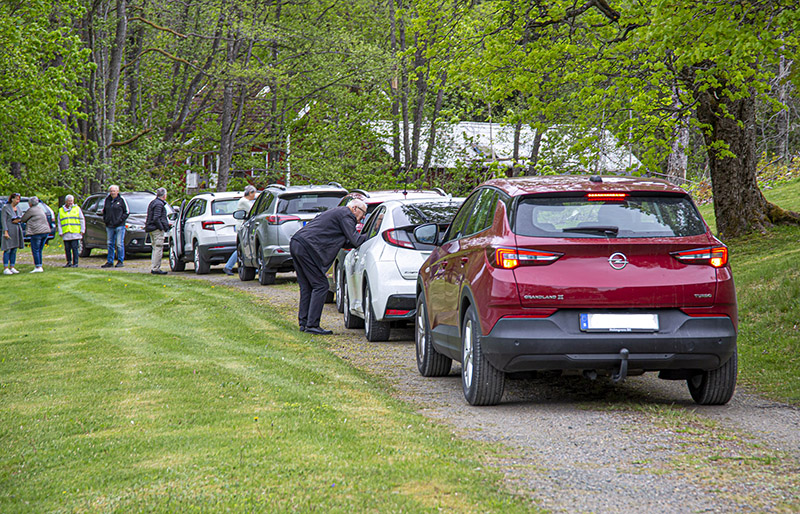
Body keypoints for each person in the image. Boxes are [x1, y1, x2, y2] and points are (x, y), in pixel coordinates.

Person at [289, 198, 368, 335]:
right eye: (363, 213)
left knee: (307, 286)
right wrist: (373, 235)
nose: (363, 218)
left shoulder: (339, 214)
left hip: (298, 243)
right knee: (321, 285)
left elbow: (345, 241)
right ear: (355, 208)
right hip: (307, 247)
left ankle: (304, 323)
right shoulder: (346, 215)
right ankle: (312, 325)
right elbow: (355, 240)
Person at [222, 185, 258, 275]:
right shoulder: (244, 201)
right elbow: (252, 211)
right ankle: (228, 266)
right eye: (254, 193)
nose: (255, 195)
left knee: (242, 247)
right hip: (242, 226)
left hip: (243, 226)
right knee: (242, 247)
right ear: (250, 193)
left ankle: (229, 266)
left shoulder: (246, 201)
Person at [19, 196, 51, 273]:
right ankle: (40, 265)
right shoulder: (40, 209)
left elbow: (23, 219)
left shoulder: (31, 210)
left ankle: (38, 266)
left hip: (37, 232)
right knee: (39, 249)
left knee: (35, 249)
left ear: (30, 203)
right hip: (45, 231)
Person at [101, 185, 128, 268]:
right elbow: (104, 211)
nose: (112, 192)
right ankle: (110, 261)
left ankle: (120, 260)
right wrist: (106, 219)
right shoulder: (107, 200)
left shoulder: (122, 200)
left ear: (117, 191)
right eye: (111, 191)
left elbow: (126, 212)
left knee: (119, 244)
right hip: (109, 225)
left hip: (119, 225)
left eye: (114, 191)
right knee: (110, 244)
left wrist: (120, 220)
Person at [145, 187, 170, 275]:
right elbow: (157, 218)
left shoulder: (153, 203)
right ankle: (156, 268)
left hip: (151, 228)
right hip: (156, 229)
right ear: (164, 195)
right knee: (158, 248)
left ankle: (154, 267)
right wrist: (162, 227)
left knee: (155, 248)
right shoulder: (159, 204)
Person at [57, 195, 85, 267]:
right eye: (69, 201)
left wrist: (82, 229)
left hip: (75, 232)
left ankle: (75, 263)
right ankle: (68, 262)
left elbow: (82, 219)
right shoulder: (61, 210)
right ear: (66, 201)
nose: (70, 203)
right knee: (67, 249)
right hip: (66, 232)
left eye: (71, 201)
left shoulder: (77, 209)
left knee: (75, 248)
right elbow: (59, 221)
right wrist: (60, 231)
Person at [2, 193, 24, 275]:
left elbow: (21, 217)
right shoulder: (5, 208)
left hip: (16, 230)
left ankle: (12, 266)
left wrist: (18, 220)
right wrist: (5, 231)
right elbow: (3, 221)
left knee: (14, 249)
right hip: (9, 230)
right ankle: (6, 267)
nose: (18, 201)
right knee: (8, 249)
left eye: (19, 199)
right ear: (12, 199)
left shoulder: (18, 208)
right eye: (17, 199)